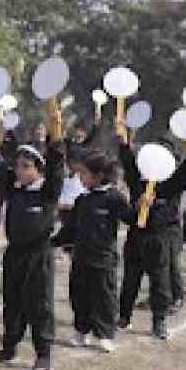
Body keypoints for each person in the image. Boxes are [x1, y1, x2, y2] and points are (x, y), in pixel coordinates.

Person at [0, 104, 64, 370]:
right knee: (12, 304)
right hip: (14, 255)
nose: (19, 170)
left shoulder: (48, 191)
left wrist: (55, 129)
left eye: (26, 166)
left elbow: (58, 163)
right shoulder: (12, 187)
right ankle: (9, 348)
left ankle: (43, 354)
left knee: (40, 306)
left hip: (39, 256)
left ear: (39, 170)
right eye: (17, 166)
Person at [118, 133, 186, 339]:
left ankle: (159, 321)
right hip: (136, 235)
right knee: (130, 280)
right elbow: (128, 164)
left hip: (159, 237)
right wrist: (124, 144)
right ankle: (124, 316)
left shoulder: (171, 183)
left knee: (160, 281)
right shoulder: (138, 179)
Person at [54, 149, 135, 353]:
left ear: (98, 176)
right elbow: (70, 229)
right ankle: (81, 330)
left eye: (84, 174)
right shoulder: (82, 200)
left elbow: (130, 218)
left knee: (104, 298)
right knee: (79, 296)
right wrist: (52, 242)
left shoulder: (114, 197)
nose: (80, 178)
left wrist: (142, 207)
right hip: (81, 258)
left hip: (103, 260)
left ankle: (104, 334)